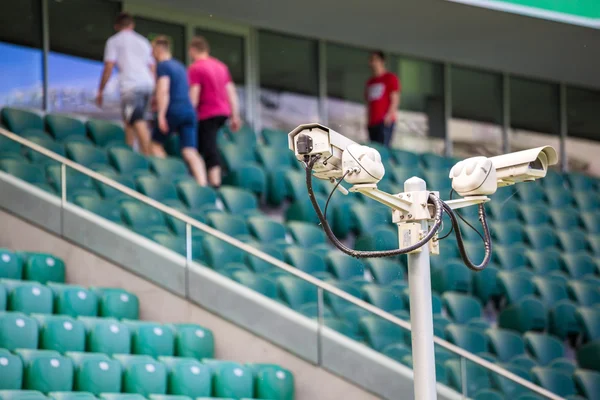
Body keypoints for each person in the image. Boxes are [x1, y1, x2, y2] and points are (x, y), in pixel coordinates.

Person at [150, 36, 207, 186]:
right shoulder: (181, 66)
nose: (152, 55)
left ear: (158, 50)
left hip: (173, 109)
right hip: (189, 112)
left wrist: (161, 114)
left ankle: (166, 178)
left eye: (153, 51)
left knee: (155, 144)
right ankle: (203, 185)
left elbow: (163, 90)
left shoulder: (163, 66)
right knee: (190, 151)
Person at [96, 12, 155, 155]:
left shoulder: (114, 41)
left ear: (116, 26)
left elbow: (109, 67)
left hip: (131, 85)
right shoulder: (143, 41)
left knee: (136, 120)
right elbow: (152, 67)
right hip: (147, 84)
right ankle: (130, 153)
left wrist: (101, 90)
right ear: (132, 25)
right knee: (129, 120)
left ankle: (149, 155)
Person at [187, 36, 241, 187]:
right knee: (205, 144)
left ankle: (214, 183)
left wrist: (189, 114)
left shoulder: (196, 67)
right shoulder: (221, 67)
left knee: (208, 146)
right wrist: (235, 116)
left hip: (206, 113)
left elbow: (194, 95)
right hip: (223, 112)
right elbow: (231, 92)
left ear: (192, 50)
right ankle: (205, 179)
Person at [365, 50, 401, 147]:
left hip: (384, 122)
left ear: (382, 61)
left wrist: (389, 115)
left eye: (375, 60)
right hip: (372, 123)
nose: (372, 63)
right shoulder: (370, 82)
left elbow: (395, 99)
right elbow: (369, 104)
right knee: (373, 149)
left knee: (382, 149)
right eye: (371, 60)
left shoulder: (390, 78)